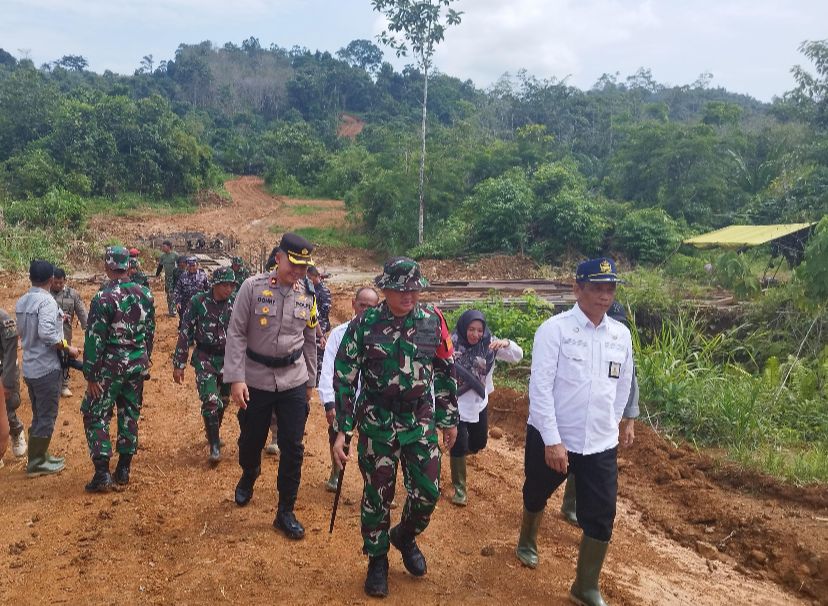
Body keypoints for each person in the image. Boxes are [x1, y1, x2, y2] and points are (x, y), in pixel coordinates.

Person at [332, 257, 458, 598]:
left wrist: (448, 419)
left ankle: (403, 536)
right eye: (401, 290)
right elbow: (345, 375)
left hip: (419, 419)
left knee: (428, 493)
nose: (408, 296)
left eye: (414, 289)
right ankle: (377, 560)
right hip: (377, 420)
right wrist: (343, 429)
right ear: (385, 289)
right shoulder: (365, 323)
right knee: (377, 496)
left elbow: (445, 369)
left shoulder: (432, 321)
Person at [515, 257, 633, 606]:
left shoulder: (620, 335)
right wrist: (552, 440)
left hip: (599, 444)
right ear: (577, 288)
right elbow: (540, 388)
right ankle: (526, 539)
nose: (604, 296)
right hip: (553, 436)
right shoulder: (555, 330)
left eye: (609, 288)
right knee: (536, 492)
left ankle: (584, 586)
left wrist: (609, 425)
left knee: (601, 514)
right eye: (596, 287)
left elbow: (622, 386)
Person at [223, 232, 318, 541]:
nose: (299, 272)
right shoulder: (252, 288)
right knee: (251, 440)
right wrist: (236, 378)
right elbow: (236, 333)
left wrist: (310, 383)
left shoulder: (308, 294)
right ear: (278, 257)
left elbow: (310, 339)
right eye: (294, 264)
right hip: (256, 377)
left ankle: (285, 510)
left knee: (293, 446)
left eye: (304, 267)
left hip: (293, 378)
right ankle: (249, 473)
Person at [81, 246, 155, 492]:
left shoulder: (103, 297)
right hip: (136, 365)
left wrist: (91, 374)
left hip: (109, 368)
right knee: (129, 412)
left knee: (95, 414)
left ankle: (102, 473)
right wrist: (145, 359)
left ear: (107, 266)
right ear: (128, 266)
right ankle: (123, 468)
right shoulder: (145, 293)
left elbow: (94, 338)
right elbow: (150, 332)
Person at [560, 300, 639, 525]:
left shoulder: (619, 343)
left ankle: (578, 508)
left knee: (594, 469)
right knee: (577, 460)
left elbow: (629, 384)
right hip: (576, 417)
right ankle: (570, 505)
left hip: (603, 420)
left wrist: (628, 421)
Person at [449, 309, 523, 506]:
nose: (475, 334)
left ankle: (460, 455)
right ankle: (459, 489)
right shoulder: (451, 344)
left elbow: (517, 356)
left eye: (479, 330)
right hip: (456, 403)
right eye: (471, 329)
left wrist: (507, 343)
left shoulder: (490, 345)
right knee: (459, 442)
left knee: (479, 442)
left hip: (479, 402)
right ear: (464, 328)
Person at [15, 260, 80, 477]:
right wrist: (67, 347)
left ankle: (41, 454)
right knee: (47, 415)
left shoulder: (23, 301)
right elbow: (46, 334)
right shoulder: (47, 302)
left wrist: (60, 318)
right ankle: (36, 462)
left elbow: (28, 331)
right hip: (46, 368)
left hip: (31, 366)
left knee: (38, 412)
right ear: (51, 279)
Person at [317, 286, 379, 492]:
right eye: (363, 305)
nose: (367, 311)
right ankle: (336, 471)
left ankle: (376, 483)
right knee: (338, 433)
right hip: (346, 397)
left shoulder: (384, 336)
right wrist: (329, 401)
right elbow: (328, 369)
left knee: (375, 444)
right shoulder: (339, 334)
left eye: (372, 307)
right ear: (353, 304)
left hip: (372, 400)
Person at [173, 267, 237, 465]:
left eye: (231, 285)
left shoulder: (234, 303)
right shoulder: (197, 302)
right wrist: (179, 363)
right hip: (205, 358)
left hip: (228, 358)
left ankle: (213, 431)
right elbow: (185, 332)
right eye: (225, 285)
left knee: (223, 400)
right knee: (210, 400)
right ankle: (214, 446)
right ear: (215, 285)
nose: (229, 289)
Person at [50, 268, 89, 397]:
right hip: (48, 333)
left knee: (65, 357)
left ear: (65, 281)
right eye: (55, 283)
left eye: (60, 283)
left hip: (65, 334)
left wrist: (88, 328)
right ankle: (51, 385)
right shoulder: (46, 294)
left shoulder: (72, 295)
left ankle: (64, 385)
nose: (58, 285)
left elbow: (82, 312)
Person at [0, 307, 26, 458]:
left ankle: (16, 430)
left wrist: (7, 382)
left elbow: (10, 354)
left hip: (4, 370)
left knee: (7, 407)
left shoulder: (4, 320)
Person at [306, 265, 331, 386]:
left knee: (319, 356)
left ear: (317, 276)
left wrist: (320, 332)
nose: (309, 280)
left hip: (319, 325)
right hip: (313, 326)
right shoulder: (310, 289)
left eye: (311, 277)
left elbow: (324, 313)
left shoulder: (324, 291)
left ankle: (318, 383)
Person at [173, 257, 208, 322]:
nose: (191, 268)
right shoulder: (183, 276)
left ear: (197, 265)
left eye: (193, 265)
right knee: (185, 322)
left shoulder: (203, 275)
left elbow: (208, 289)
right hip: (185, 305)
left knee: (199, 322)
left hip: (200, 304)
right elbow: (177, 290)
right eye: (189, 266)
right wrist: (177, 302)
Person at [155, 241, 179, 316]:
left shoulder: (175, 255)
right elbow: (160, 266)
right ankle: (170, 310)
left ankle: (174, 311)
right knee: (168, 294)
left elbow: (180, 266)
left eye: (164, 246)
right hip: (167, 278)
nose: (163, 248)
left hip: (174, 277)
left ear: (169, 247)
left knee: (172, 294)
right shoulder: (163, 256)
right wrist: (157, 275)